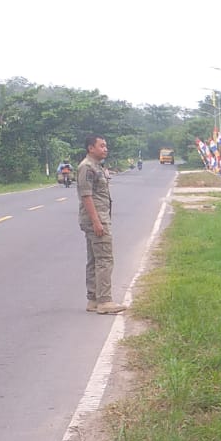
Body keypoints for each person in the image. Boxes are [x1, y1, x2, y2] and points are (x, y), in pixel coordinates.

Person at [77, 135, 125, 315]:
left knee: (94, 259)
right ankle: (105, 301)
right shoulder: (87, 167)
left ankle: (93, 299)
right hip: (96, 218)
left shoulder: (96, 166)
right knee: (104, 259)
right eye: (102, 146)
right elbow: (86, 196)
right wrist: (97, 222)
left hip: (97, 217)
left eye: (106, 146)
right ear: (91, 148)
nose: (105, 149)